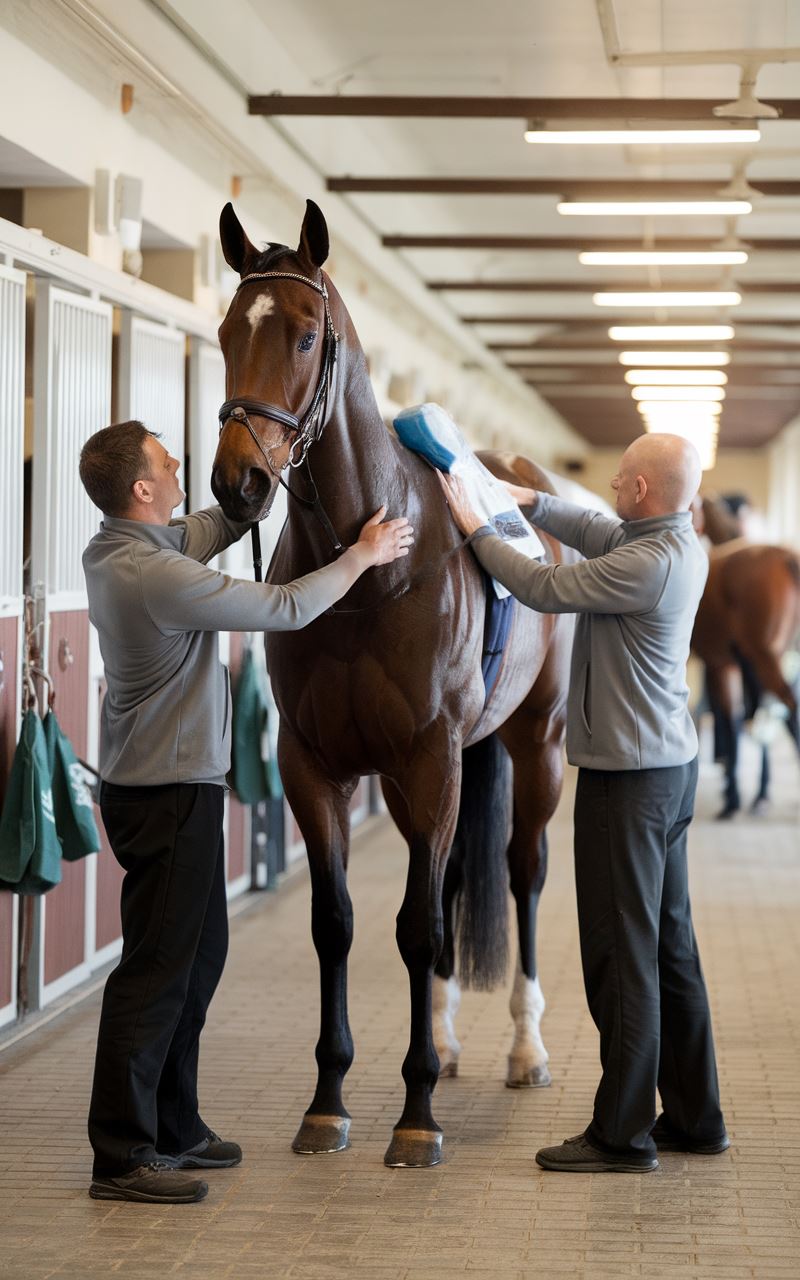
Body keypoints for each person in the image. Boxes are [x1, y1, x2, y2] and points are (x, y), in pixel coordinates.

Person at [79, 420, 413, 1204]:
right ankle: (122, 1154)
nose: (179, 464)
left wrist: (269, 468)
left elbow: (222, 522)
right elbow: (290, 606)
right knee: (155, 975)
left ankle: (175, 1124)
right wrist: (362, 556)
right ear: (141, 489)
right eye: (167, 461)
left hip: (175, 785)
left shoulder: (140, 546)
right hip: (165, 792)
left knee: (197, 962)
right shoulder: (149, 574)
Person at [439, 433, 728, 1174]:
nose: (613, 483)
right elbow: (596, 531)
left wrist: (477, 528)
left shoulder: (647, 565)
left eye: (621, 476)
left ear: (639, 491)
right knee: (669, 950)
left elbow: (541, 587)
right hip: (666, 772)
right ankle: (697, 1119)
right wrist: (529, 501)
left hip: (627, 784)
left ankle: (622, 1133)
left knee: (619, 956)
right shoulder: (672, 540)